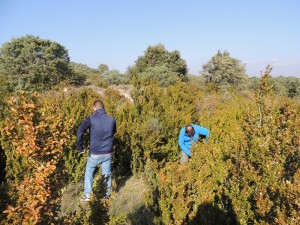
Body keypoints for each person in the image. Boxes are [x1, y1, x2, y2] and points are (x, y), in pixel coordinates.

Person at [76, 100, 116, 202]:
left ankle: (87, 195)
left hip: (95, 153)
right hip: (108, 152)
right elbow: (113, 132)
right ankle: (107, 197)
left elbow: (80, 130)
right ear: (103, 108)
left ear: (94, 108)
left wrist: (80, 148)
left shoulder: (91, 118)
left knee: (89, 171)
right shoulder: (112, 120)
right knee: (106, 173)